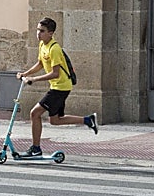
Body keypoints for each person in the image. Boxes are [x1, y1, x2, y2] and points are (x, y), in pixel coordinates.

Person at [15, 17, 98, 156]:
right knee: (55, 120)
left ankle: (36, 148)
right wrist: (25, 73)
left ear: (51, 33)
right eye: (38, 30)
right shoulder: (42, 45)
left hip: (60, 88)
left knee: (34, 113)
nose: (38, 33)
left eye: (42, 31)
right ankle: (88, 120)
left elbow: (55, 73)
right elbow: (40, 63)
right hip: (57, 87)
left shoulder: (54, 49)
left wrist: (34, 79)